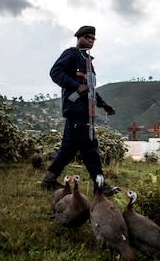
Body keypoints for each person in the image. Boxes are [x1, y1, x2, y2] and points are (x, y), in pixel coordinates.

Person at [41, 25, 118, 196]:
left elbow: (89, 89)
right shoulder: (71, 54)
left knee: (67, 150)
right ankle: (101, 185)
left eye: (93, 39)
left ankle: (48, 180)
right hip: (76, 110)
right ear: (79, 37)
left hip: (86, 112)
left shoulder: (88, 62)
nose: (90, 41)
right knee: (90, 147)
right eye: (87, 37)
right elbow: (55, 72)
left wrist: (103, 104)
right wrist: (76, 86)